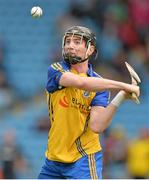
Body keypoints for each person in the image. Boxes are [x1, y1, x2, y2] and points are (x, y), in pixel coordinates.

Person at [38, 26, 140, 179]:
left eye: (77, 42)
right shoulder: (56, 70)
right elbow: (81, 82)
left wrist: (121, 96)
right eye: (67, 41)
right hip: (53, 158)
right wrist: (124, 84)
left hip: (83, 158)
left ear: (90, 49)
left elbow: (97, 126)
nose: (70, 45)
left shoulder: (100, 85)